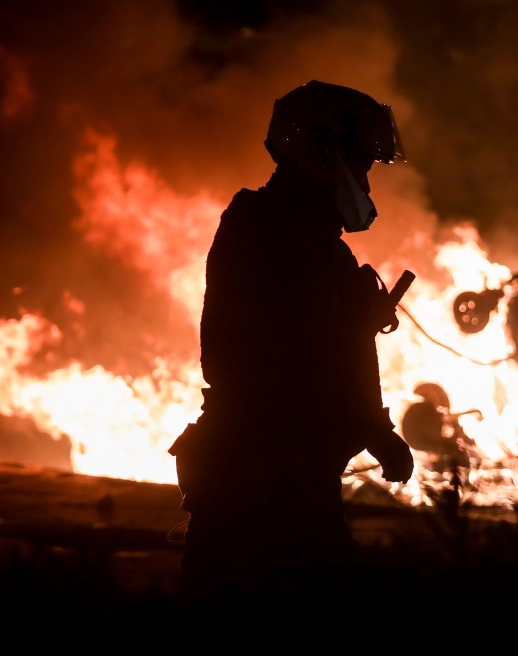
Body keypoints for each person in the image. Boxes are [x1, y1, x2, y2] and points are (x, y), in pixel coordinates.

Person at [168, 80, 416, 614]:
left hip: (245, 466)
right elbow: (321, 359)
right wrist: (381, 436)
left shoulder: (259, 225)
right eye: (362, 164)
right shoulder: (299, 245)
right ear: (323, 152)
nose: (367, 180)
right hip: (273, 477)